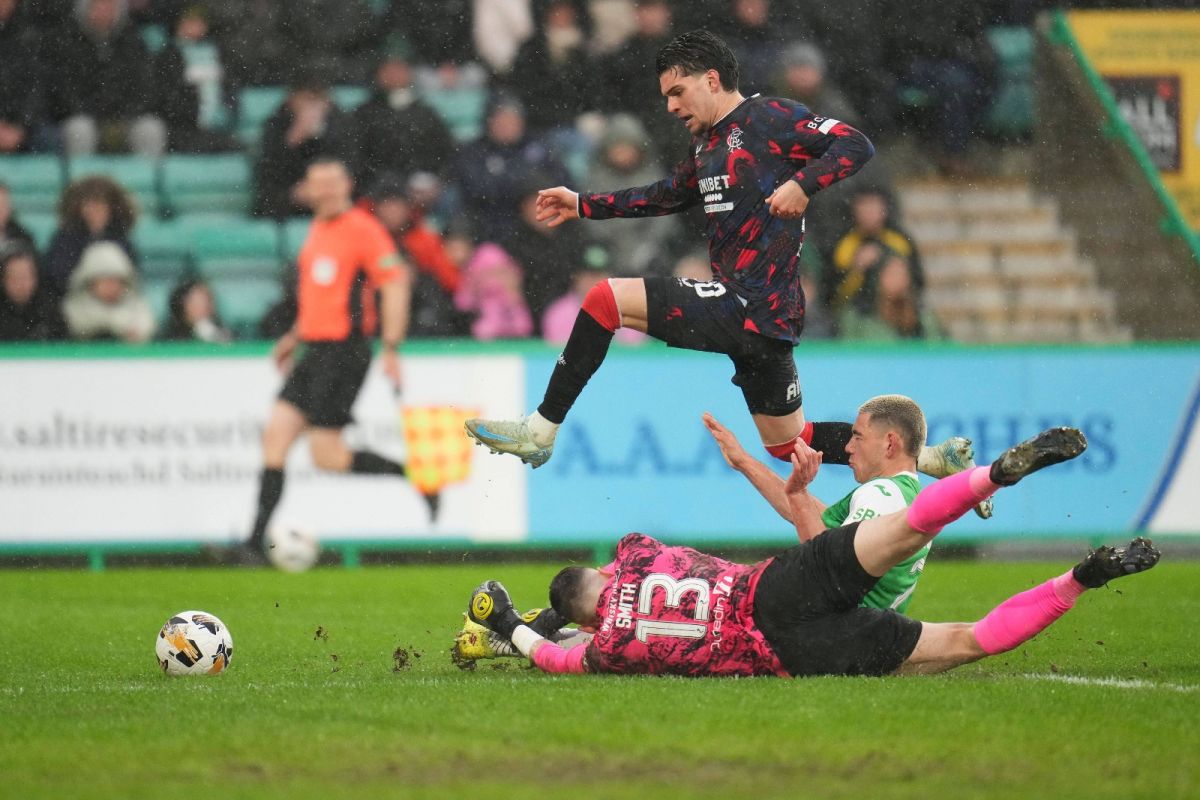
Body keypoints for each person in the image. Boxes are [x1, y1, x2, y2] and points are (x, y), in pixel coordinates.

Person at [464, 30, 970, 484]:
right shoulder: (707, 147)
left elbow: (854, 144)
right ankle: (931, 461)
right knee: (788, 444)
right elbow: (666, 194)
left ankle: (540, 428)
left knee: (604, 299)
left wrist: (802, 183)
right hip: (761, 317)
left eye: (676, 92)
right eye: (665, 97)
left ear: (710, 79)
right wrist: (582, 204)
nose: (670, 106)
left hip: (752, 305)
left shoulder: (771, 117)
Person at [462, 426, 1162, 677]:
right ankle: (989, 477)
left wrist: (508, 625)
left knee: (969, 641)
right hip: (772, 589)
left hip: (791, 656)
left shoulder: (606, 648)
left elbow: (551, 654)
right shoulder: (639, 554)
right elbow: (615, 573)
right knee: (907, 528)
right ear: (609, 568)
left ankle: (1081, 578)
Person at [230, 158, 422, 565]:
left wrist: (390, 346)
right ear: (308, 190)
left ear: (348, 185)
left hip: (343, 353)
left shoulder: (364, 231)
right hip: (313, 350)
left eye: (335, 182)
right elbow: (323, 295)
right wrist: (294, 335)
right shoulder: (316, 230)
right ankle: (252, 543)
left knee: (327, 456)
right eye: (320, 183)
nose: (328, 190)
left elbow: (395, 282)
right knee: (275, 439)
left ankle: (415, 475)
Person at [703, 394, 981, 614]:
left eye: (857, 436)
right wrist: (744, 461)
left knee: (708, 591)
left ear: (889, 444)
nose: (847, 447)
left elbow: (829, 571)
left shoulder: (881, 495)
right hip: (861, 630)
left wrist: (799, 491)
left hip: (838, 632)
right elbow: (807, 516)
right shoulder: (902, 492)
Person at [49, 0, 167, 157]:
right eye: (98, 6)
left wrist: (124, 116)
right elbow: (64, 91)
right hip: (85, 118)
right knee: (79, 130)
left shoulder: (133, 42)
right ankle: (83, 180)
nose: (104, 11)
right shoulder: (68, 43)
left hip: (127, 118)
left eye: (109, 6)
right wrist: (95, 115)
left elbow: (145, 88)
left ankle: (145, 180)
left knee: (150, 129)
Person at [43, 175, 138, 298]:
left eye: (101, 204)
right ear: (79, 208)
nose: (95, 210)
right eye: (90, 204)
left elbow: (131, 277)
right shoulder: (65, 240)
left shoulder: (122, 239)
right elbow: (58, 276)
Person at [61, 241, 155, 342]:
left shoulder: (135, 305)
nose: (112, 287)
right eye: (106, 281)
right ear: (91, 283)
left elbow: (146, 328)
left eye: (116, 281)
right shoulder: (75, 306)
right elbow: (78, 326)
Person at [0, 244, 66, 341]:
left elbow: (63, 344)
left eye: (25, 277)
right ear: (3, 279)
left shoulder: (49, 308)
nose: (21, 284)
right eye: (15, 277)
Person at [161, 278, 232, 343]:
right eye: (196, 302)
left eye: (208, 300)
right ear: (182, 305)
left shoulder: (225, 330)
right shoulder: (169, 338)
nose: (204, 307)